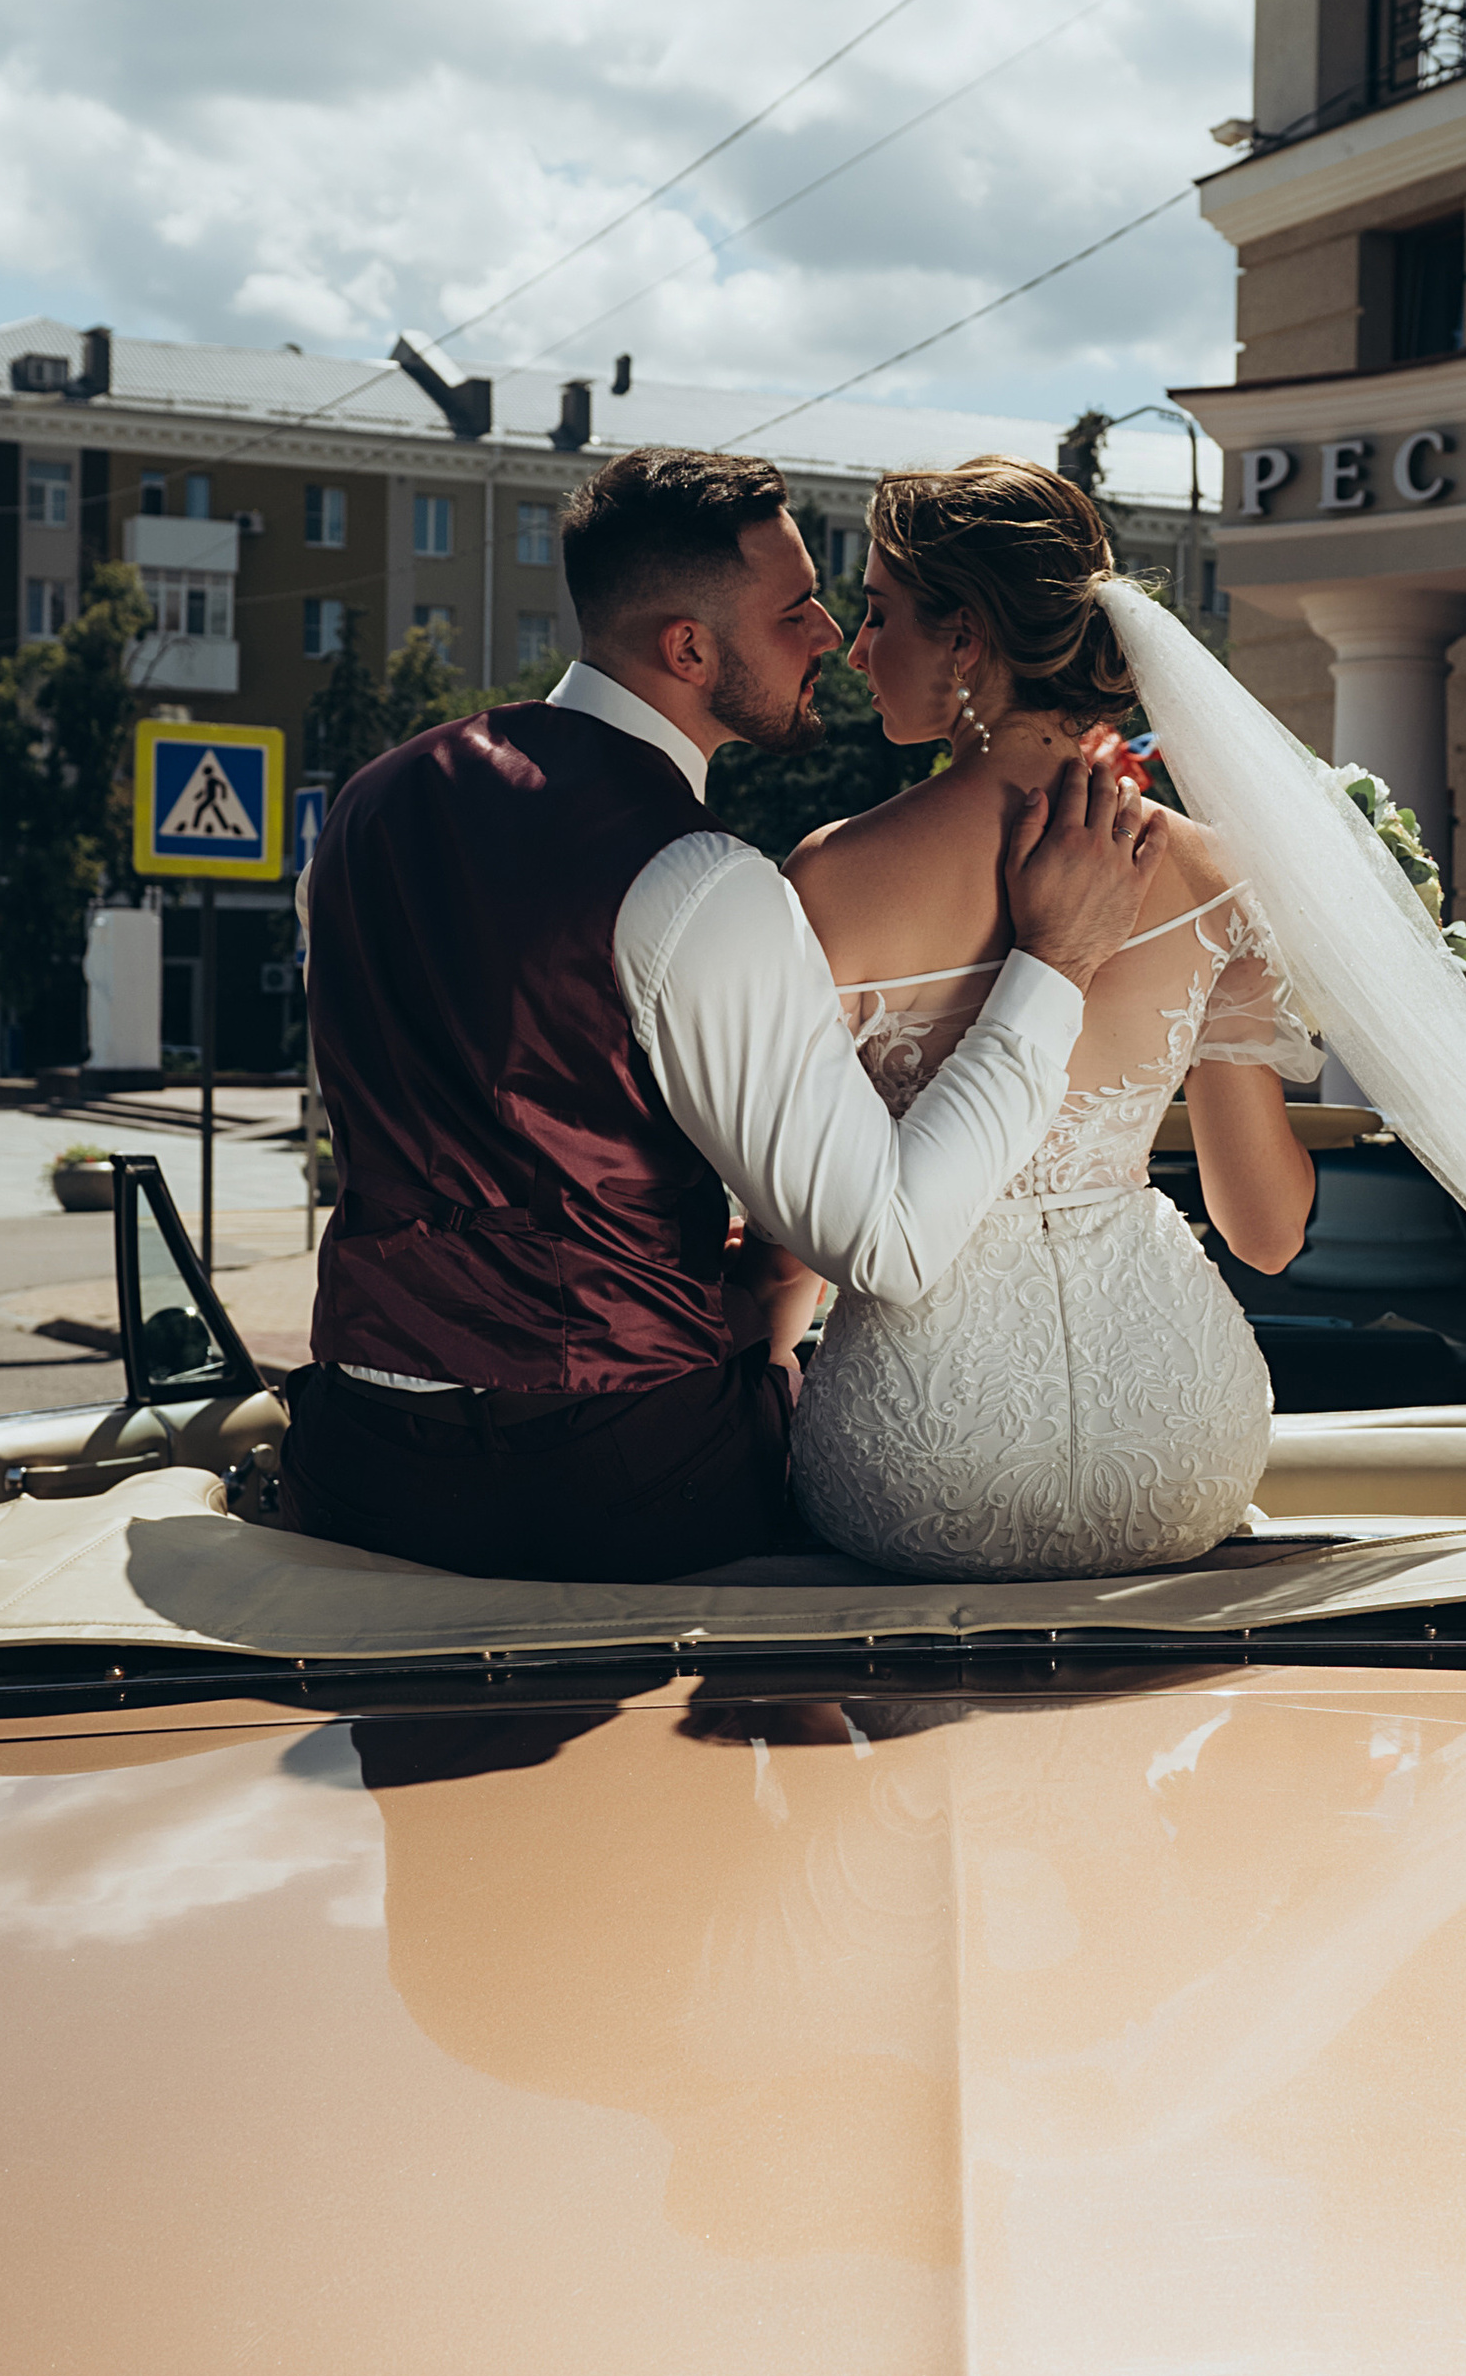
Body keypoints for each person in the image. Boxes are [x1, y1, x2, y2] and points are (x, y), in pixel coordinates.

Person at [281, 446, 1165, 1580]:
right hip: (608, 1482)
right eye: (796, 611)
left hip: (354, 1453)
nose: (829, 638)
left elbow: (468, 1116)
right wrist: (1053, 962)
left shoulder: (366, 806)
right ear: (688, 649)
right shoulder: (701, 880)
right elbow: (890, 1243)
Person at [778, 458, 1321, 1578]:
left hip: (927, 1457)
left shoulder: (835, 877)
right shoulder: (1213, 874)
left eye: (878, 612)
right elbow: (1266, 1233)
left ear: (966, 636)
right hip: (1182, 1445)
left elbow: (797, 1243)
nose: (857, 649)